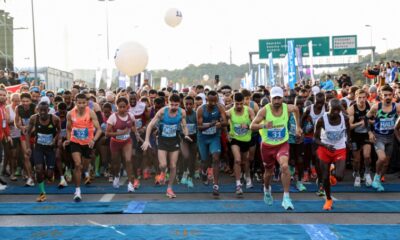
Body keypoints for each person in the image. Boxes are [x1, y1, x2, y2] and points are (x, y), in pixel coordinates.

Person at [250, 86, 302, 210]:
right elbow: (252, 126)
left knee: (284, 166)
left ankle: (286, 197)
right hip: (267, 146)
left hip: (282, 144)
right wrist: (264, 125)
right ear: (270, 99)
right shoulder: (264, 111)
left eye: (279, 98)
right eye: (275, 98)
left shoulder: (287, 108)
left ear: (282, 98)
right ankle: (267, 189)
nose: (277, 101)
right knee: (268, 172)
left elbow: (296, 109)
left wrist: (298, 126)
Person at [141, 94, 192, 198]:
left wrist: (186, 135)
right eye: (171, 104)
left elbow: (184, 125)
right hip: (162, 140)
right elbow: (150, 125)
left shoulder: (182, 112)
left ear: (179, 104)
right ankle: (163, 173)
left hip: (174, 140)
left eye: (176, 105)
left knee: (173, 165)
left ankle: (169, 188)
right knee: (163, 165)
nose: (173, 107)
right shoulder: (162, 112)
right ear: (168, 103)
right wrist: (146, 140)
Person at [64, 93, 102, 202]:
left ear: (87, 103)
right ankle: (77, 191)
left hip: (87, 144)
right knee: (78, 165)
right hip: (75, 142)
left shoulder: (91, 113)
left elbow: (99, 130)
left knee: (84, 166)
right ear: (75, 102)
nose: (81, 105)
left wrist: (93, 140)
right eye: (79, 103)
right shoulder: (70, 114)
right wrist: (68, 139)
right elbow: (68, 129)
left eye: (83, 103)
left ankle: (86, 171)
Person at [314, 99, 350, 210]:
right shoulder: (321, 120)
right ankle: (328, 199)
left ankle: (332, 171)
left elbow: (348, 129)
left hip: (339, 148)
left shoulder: (345, 118)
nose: (335, 112)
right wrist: (325, 145)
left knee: (339, 176)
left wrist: (348, 140)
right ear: (328, 108)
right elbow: (315, 139)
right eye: (333, 110)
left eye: (337, 110)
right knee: (324, 178)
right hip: (325, 148)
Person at [25, 101, 61, 202]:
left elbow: (59, 131)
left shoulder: (54, 119)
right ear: (38, 110)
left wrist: (55, 140)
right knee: (39, 169)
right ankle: (42, 193)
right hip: (39, 147)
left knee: (49, 174)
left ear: (48, 110)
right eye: (40, 110)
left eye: (44, 110)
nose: (42, 113)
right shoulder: (34, 118)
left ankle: (50, 175)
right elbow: (27, 133)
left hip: (50, 148)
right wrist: (28, 147)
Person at [367, 85, 400, 191]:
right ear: (381, 96)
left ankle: (378, 179)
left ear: (393, 95)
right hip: (379, 137)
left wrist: (397, 126)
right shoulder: (376, 107)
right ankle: (376, 178)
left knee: (386, 163)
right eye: (385, 95)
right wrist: (370, 133)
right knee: (382, 158)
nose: (388, 97)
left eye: (390, 95)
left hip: (390, 137)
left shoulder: (397, 106)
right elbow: (365, 119)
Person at [106, 97, 141, 192]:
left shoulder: (131, 116)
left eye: (123, 107)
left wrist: (137, 134)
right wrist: (120, 133)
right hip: (115, 143)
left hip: (126, 142)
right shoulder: (112, 117)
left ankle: (130, 184)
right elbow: (107, 133)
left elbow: (133, 126)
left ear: (127, 107)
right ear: (116, 107)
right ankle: (116, 176)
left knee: (129, 161)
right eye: (120, 107)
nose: (122, 109)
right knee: (116, 164)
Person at [196, 90, 227, 197]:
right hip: (203, 138)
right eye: (211, 101)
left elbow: (225, 122)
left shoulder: (220, 107)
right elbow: (199, 128)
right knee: (205, 160)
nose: (214, 103)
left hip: (214, 137)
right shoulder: (200, 110)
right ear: (207, 100)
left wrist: (220, 124)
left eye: (215, 100)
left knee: (216, 158)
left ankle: (216, 185)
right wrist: (210, 125)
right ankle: (204, 172)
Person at [226, 92, 255, 196]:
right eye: (236, 104)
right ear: (233, 102)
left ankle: (247, 176)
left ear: (243, 102)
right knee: (237, 160)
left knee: (245, 161)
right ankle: (238, 185)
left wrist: (248, 126)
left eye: (240, 104)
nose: (238, 106)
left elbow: (254, 123)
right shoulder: (229, 112)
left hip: (246, 139)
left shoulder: (249, 110)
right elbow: (223, 122)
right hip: (235, 139)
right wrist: (227, 133)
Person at [348, 89, 372, 187]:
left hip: (366, 134)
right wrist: (360, 123)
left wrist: (369, 124)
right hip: (355, 136)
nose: (362, 100)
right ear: (356, 97)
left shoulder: (369, 106)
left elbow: (374, 121)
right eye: (360, 97)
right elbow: (349, 126)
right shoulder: (352, 108)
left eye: (364, 97)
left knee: (367, 156)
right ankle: (357, 174)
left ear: (366, 97)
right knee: (357, 159)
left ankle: (367, 173)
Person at [179, 96, 198, 188]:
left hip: (194, 139)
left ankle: (190, 177)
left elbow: (198, 128)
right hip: (184, 139)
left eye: (191, 104)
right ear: (184, 104)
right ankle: (184, 173)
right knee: (186, 156)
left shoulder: (196, 115)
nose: (189, 106)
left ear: (194, 105)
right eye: (187, 104)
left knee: (192, 159)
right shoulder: (181, 114)